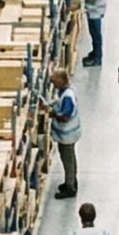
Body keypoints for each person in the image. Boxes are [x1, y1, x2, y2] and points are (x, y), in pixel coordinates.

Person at [47, 68, 82, 199]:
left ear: (62, 80)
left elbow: (65, 117)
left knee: (67, 160)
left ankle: (70, 188)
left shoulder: (68, 96)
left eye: (55, 81)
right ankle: (72, 181)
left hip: (67, 134)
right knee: (71, 158)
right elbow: (57, 101)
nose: (53, 83)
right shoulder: (67, 90)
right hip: (70, 133)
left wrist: (53, 114)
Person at [80, 0, 106, 66]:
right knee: (92, 33)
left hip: (96, 11)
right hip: (91, 10)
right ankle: (94, 52)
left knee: (96, 35)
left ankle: (98, 59)